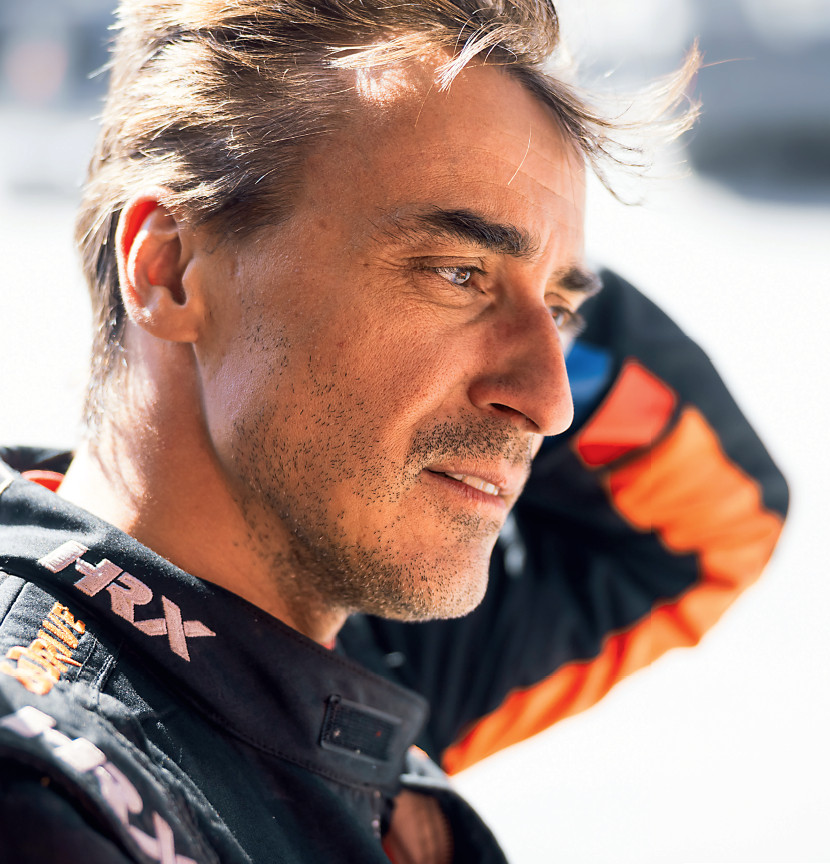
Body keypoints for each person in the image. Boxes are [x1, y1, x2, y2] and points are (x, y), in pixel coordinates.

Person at [0, 1, 789, 862]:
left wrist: (522, 232)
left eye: (560, 310)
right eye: (455, 272)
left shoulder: (342, 634)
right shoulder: (44, 792)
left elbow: (705, 529)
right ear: (169, 269)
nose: (551, 404)